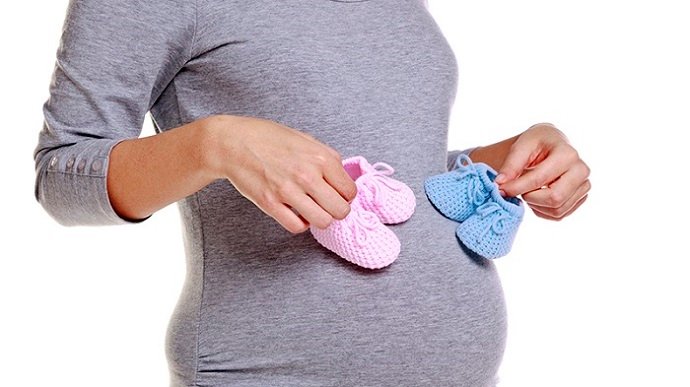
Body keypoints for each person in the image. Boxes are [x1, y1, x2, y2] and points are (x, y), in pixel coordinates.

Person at [34, 1, 590, 386]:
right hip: (272, 371)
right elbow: (61, 175)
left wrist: (509, 158)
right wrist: (215, 143)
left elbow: (385, 164)